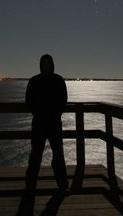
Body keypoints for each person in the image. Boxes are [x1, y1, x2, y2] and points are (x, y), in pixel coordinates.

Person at [24, 54, 69, 196]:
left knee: (58, 155)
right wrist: (38, 114)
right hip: (39, 124)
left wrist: (55, 114)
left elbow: (63, 101)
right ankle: (30, 185)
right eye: (44, 63)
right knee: (36, 155)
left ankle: (63, 185)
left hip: (55, 123)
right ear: (40, 65)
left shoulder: (59, 80)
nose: (46, 65)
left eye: (48, 63)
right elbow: (28, 101)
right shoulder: (34, 81)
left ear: (52, 64)